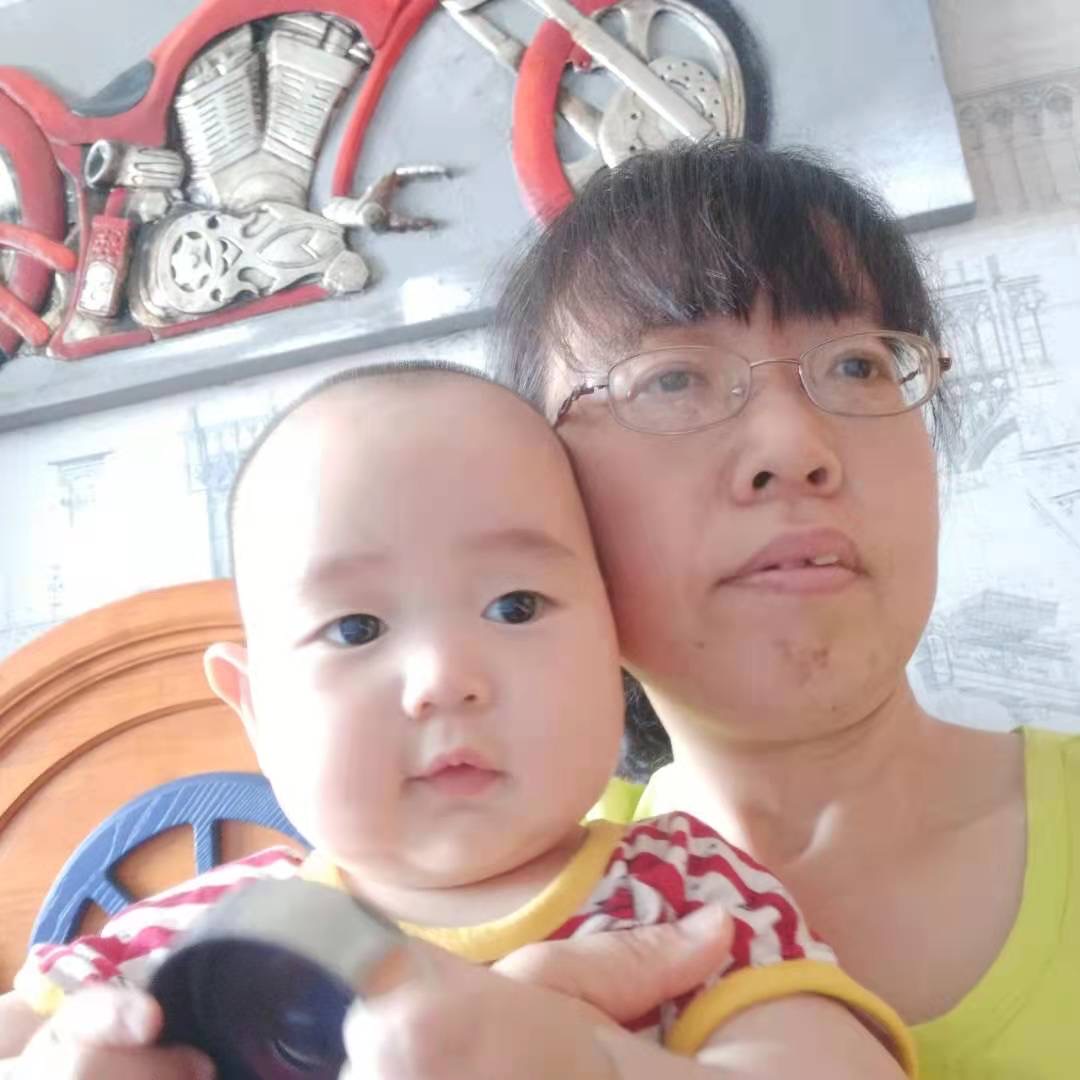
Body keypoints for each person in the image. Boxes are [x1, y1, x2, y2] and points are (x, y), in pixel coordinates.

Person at [0, 362, 913, 1079]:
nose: (445, 679)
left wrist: (592, 1061)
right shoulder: (197, 941)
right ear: (255, 706)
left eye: (516, 607)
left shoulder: (683, 897)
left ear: (613, 644)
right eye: (356, 629)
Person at [487, 138, 1080, 1079]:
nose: (794, 447)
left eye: (858, 365)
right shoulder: (480, 925)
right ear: (547, 497)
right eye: (671, 379)